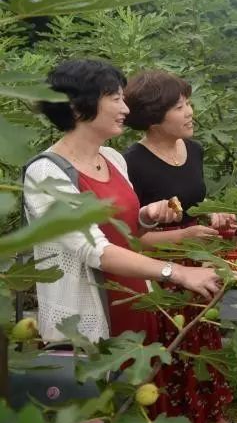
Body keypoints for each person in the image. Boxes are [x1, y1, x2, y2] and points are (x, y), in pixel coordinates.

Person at [23, 59, 220, 347]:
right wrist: (176, 271)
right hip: (88, 320)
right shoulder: (45, 173)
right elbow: (94, 249)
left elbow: (127, 234)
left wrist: (145, 217)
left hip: (136, 302)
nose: (126, 110)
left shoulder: (113, 160)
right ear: (78, 108)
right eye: (115, 99)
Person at [122, 70, 237, 423]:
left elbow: (192, 207)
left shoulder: (193, 150)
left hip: (198, 261)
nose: (190, 111)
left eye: (188, 103)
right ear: (153, 117)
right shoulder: (132, 162)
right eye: (180, 106)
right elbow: (131, 237)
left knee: (203, 341)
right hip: (158, 268)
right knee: (171, 346)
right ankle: (178, 422)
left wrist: (214, 217)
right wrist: (184, 235)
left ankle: (212, 415)